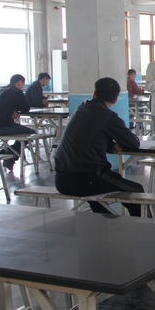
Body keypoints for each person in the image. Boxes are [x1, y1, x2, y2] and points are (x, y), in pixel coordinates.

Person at [54, 77, 145, 217]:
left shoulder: (81, 109)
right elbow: (134, 144)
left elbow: (87, 137)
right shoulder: (107, 116)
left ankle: (106, 225)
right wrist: (114, 144)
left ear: (94, 93)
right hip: (86, 179)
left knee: (98, 200)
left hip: (60, 179)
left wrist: (110, 145)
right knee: (136, 191)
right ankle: (145, 227)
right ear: (115, 100)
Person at [0, 74, 35, 172]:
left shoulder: (2, 90)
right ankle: (10, 153)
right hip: (4, 128)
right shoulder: (16, 92)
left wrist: (13, 110)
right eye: (23, 84)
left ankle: (10, 154)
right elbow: (26, 108)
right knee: (32, 132)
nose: (23, 87)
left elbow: (6, 106)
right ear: (19, 83)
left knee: (22, 130)